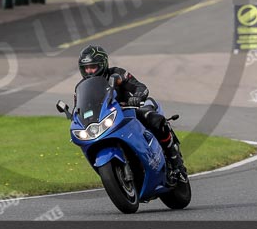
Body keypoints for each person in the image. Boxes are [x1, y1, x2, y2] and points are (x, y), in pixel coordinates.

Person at [76, 44, 186, 185]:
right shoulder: (81, 88)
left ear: (103, 64)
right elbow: (81, 108)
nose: (89, 71)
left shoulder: (117, 73)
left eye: (93, 67)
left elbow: (140, 87)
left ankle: (176, 164)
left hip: (130, 110)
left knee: (156, 120)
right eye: (86, 68)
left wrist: (137, 97)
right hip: (108, 119)